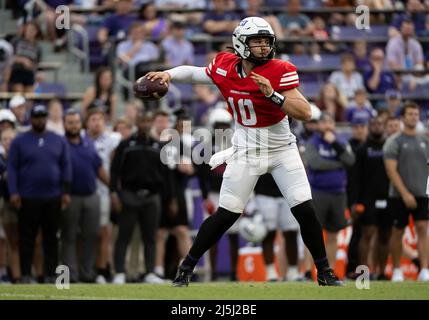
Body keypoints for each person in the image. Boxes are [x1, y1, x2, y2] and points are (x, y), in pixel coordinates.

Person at [146, 16, 343, 286]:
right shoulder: (224, 66)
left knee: (305, 210)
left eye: (266, 41)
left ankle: (324, 272)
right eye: (256, 41)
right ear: (240, 43)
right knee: (226, 214)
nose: (263, 47)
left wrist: (273, 94)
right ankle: (186, 267)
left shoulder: (279, 69)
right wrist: (169, 74)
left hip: (282, 150)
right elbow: (196, 74)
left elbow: (306, 113)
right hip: (247, 152)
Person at [7, 104, 72, 283]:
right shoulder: (20, 140)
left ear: (46, 118)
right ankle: (26, 274)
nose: (40, 120)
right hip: (28, 197)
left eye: (43, 116)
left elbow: (66, 166)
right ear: (31, 118)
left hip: (53, 197)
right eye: (37, 117)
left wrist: (66, 191)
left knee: (51, 238)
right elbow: (12, 168)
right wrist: (13, 191)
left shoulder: (58, 140)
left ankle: (52, 275)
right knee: (27, 238)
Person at [110, 111, 176, 284]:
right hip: (129, 194)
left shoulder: (158, 146)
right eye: (143, 121)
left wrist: (172, 198)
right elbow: (114, 171)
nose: (146, 125)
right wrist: (114, 193)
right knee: (124, 235)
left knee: (150, 236)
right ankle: (119, 272)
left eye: (149, 121)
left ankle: (149, 272)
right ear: (137, 123)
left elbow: (166, 175)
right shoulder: (126, 145)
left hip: (152, 196)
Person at [383, 102, 429, 282]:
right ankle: (396, 270)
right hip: (398, 195)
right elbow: (391, 170)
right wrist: (405, 194)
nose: (413, 117)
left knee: (423, 229)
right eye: (410, 114)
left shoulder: (425, 141)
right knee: (397, 231)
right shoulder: (394, 142)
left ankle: (425, 269)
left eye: (416, 114)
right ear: (403, 117)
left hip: (422, 193)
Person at [62, 109, 109, 283]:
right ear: (64, 124)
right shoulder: (61, 144)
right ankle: (69, 276)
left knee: (90, 236)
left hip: (91, 195)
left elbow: (99, 168)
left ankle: (87, 274)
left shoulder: (88, 143)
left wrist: (112, 187)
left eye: (76, 122)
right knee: (69, 237)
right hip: (70, 196)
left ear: (80, 123)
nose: (74, 125)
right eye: (70, 122)